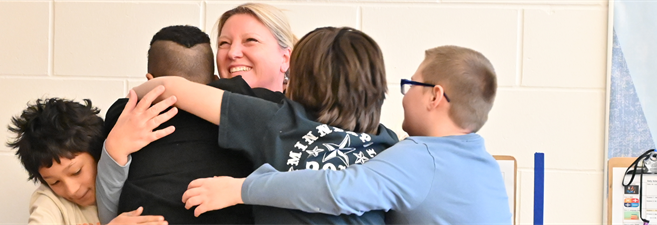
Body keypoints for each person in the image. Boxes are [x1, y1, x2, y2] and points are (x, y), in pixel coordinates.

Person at [182, 45, 512, 224]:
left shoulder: (420, 157)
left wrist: (241, 188)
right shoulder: (484, 165)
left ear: (435, 96)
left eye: (410, 85)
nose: (403, 95)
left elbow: (336, 190)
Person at [131, 27, 400, 224]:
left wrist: (136, 92)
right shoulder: (386, 141)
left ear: (298, 78)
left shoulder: (277, 118)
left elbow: (170, 86)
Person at [96, 25, 255, 225]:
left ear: (149, 81)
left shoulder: (125, 112)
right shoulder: (248, 102)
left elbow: (108, 208)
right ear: (215, 82)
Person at [9, 98, 171, 225]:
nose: (71, 190)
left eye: (76, 171)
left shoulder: (132, 175)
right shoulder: (51, 202)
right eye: (55, 182)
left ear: (99, 154)